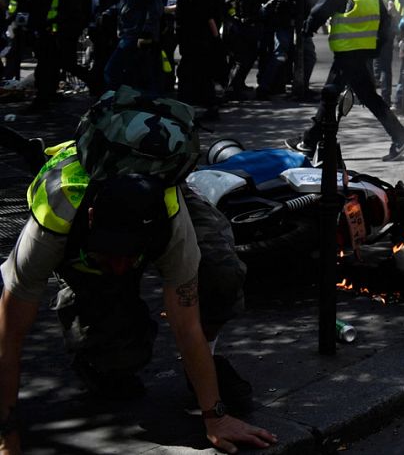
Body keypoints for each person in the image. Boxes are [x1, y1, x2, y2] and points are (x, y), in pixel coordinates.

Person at [0, 93, 274, 454]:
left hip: (155, 201)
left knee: (222, 273)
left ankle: (204, 367)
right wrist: (7, 434)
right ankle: (91, 334)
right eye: (110, 254)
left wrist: (215, 416)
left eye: (128, 258)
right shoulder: (55, 218)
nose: (120, 268)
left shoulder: (171, 220)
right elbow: (9, 336)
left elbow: (185, 323)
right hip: (80, 234)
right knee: (116, 364)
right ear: (93, 222)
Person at [295, 0, 404, 161]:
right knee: (368, 98)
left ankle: (308, 143)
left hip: (347, 52)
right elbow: (386, 22)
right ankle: (400, 137)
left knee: (329, 96)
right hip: (363, 51)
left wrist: (306, 30)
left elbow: (318, 13)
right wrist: (376, 47)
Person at [105, 0, 163, 96]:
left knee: (112, 72)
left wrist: (147, 33)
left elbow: (154, 7)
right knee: (139, 74)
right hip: (129, 32)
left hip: (137, 34)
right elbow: (128, 3)